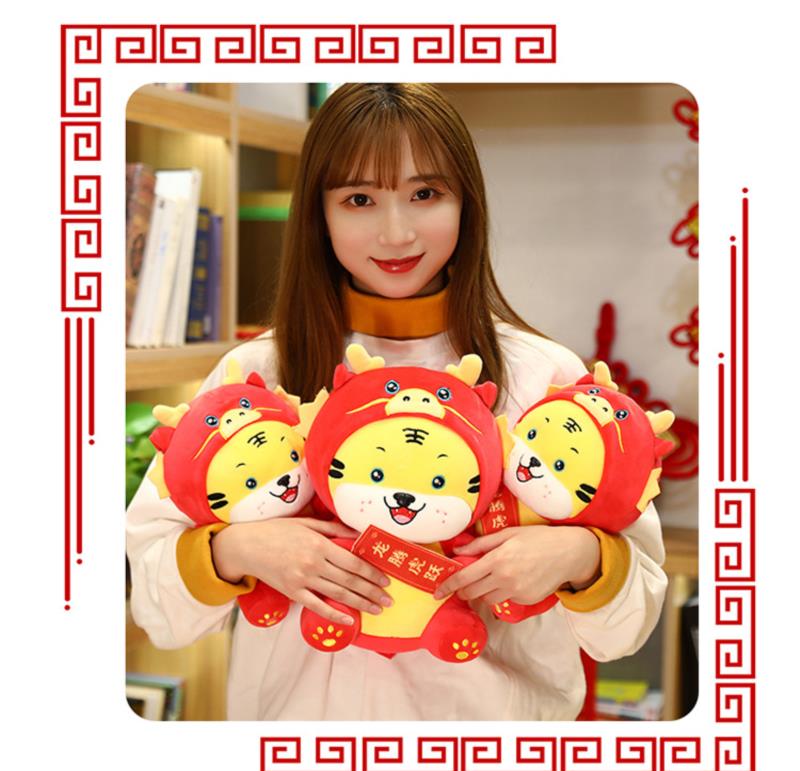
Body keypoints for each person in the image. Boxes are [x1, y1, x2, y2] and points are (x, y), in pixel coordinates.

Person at [126, 83, 667, 721]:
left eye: (425, 194)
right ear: (319, 212)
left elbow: (627, 624)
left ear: (467, 203)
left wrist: (582, 559)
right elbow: (160, 612)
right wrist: (235, 552)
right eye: (359, 199)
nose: (396, 232)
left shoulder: (545, 377)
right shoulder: (253, 376)